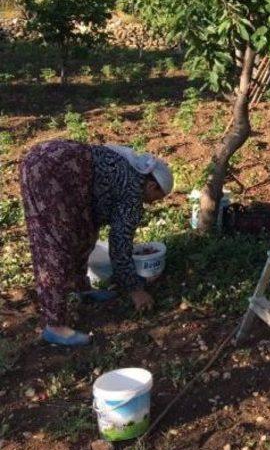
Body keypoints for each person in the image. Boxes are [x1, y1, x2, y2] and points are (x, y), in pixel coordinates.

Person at [19, 139, 173, 347]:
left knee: (83, 231)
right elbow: (120, 243)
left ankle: (81, 288)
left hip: (43, 157)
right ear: (152, 185)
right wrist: (135, 289)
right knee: (56, 243)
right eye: (157, 197)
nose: (154, 203)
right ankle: (55, 325)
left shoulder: (130, 166)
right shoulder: (132, 194)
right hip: (53, 173)